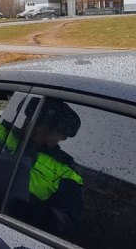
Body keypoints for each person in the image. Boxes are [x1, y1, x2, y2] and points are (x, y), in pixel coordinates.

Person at [7, 100, 85, 242]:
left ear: (62, 136)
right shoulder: (5, 132)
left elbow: (69, 225)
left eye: (48, 127)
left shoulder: (67, 173)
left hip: (20, 233)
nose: (38, 129)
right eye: (34, 120)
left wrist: (40, 212)